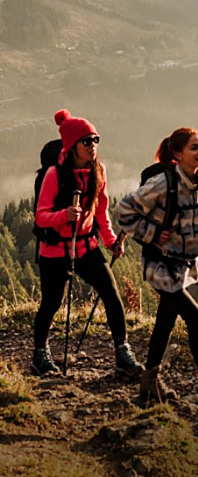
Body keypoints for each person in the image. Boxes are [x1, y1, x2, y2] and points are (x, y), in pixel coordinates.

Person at [116, 127, 198, 410]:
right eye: (194, 148)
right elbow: (124, 211)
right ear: (177, 154)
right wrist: (149, 232)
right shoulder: (162, 183)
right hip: (161, 266)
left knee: (165, 322)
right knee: (196, 321)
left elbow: (188, 214)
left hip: (182, 265)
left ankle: (148, 385)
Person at [31, 109, 143, 378]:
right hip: (55, 248)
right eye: (86, 141)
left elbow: (100, 211)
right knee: (51, 302)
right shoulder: (54, 175)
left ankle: (122, 352)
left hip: (86, 246)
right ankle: (39, 355)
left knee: (112, 295)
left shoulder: (98, 171)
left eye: (95, 139)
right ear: (72, 146)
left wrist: (110, 240)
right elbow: (41, 216)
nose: (92, 145)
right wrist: (64, 216)